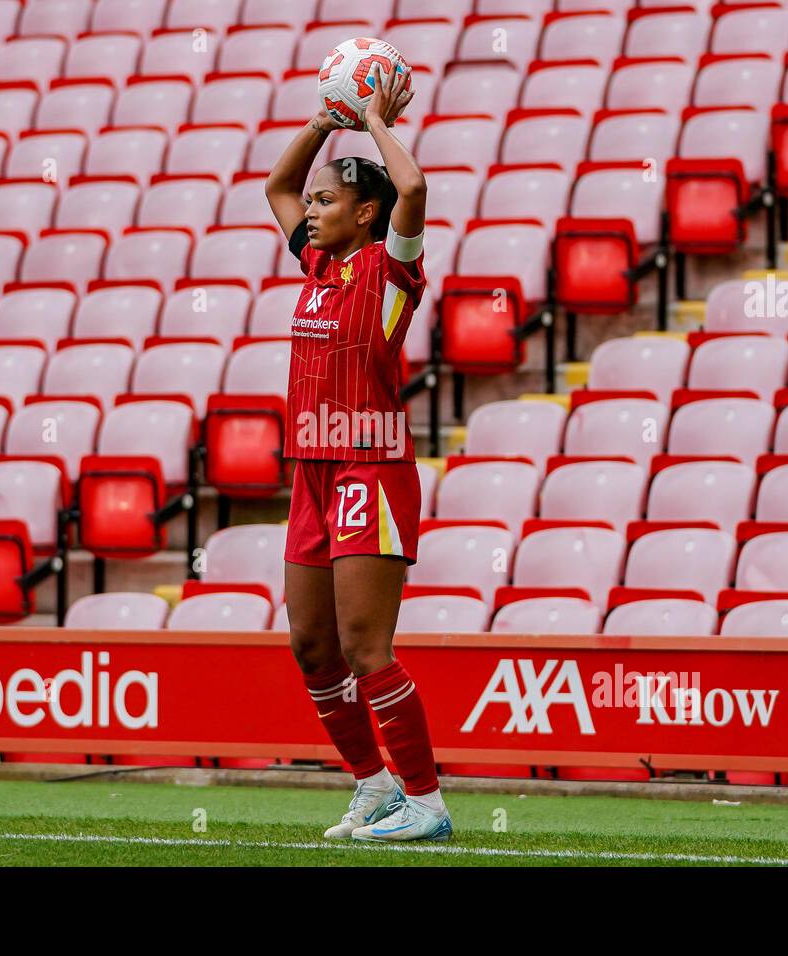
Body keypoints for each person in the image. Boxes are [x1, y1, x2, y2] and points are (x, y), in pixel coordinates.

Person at [263, 65, 451, 842]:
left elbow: (414, 188)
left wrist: (370, 118)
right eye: (313, 204)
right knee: (312, 646)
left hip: (369, 468)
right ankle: (371, 786)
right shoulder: (317, 264)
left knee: (363, 644)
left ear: (364, 212)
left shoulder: (386, 269)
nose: (308, 211)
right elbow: (276, 188)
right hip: (311, 469)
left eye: (327, 200)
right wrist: (321, 119)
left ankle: (426, 803)